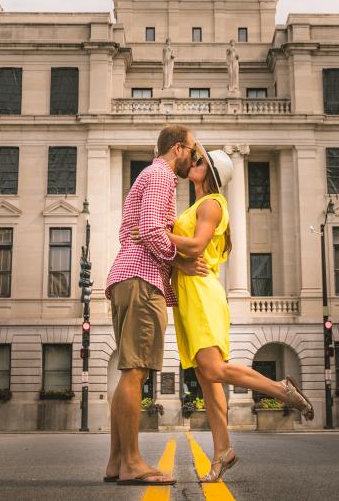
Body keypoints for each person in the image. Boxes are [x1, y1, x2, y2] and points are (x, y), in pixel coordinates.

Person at [139, 145, 314, 482]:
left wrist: (153, 236)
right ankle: (223, 452)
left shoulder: (211, 205)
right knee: (207, 380)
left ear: (211, 174)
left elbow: (195, 246)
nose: (194, 161)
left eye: (200, 160)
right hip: (189, 296)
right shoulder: (198, 204)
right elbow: (184, 254)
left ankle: (282, 390)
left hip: (202, 294)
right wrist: (171, 251)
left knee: (213, 369)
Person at [102, 124, 199, 487]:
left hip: (127, 275)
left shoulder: (148, 175)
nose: (195, 159)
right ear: (178, 149)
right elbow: (150, 229)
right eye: (193, 151)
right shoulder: (161, 177)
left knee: (129, 368)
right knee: (135, 370)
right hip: (142, 279)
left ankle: (116, 462)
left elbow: (135, 230)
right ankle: (131, 462)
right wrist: (181, 260)